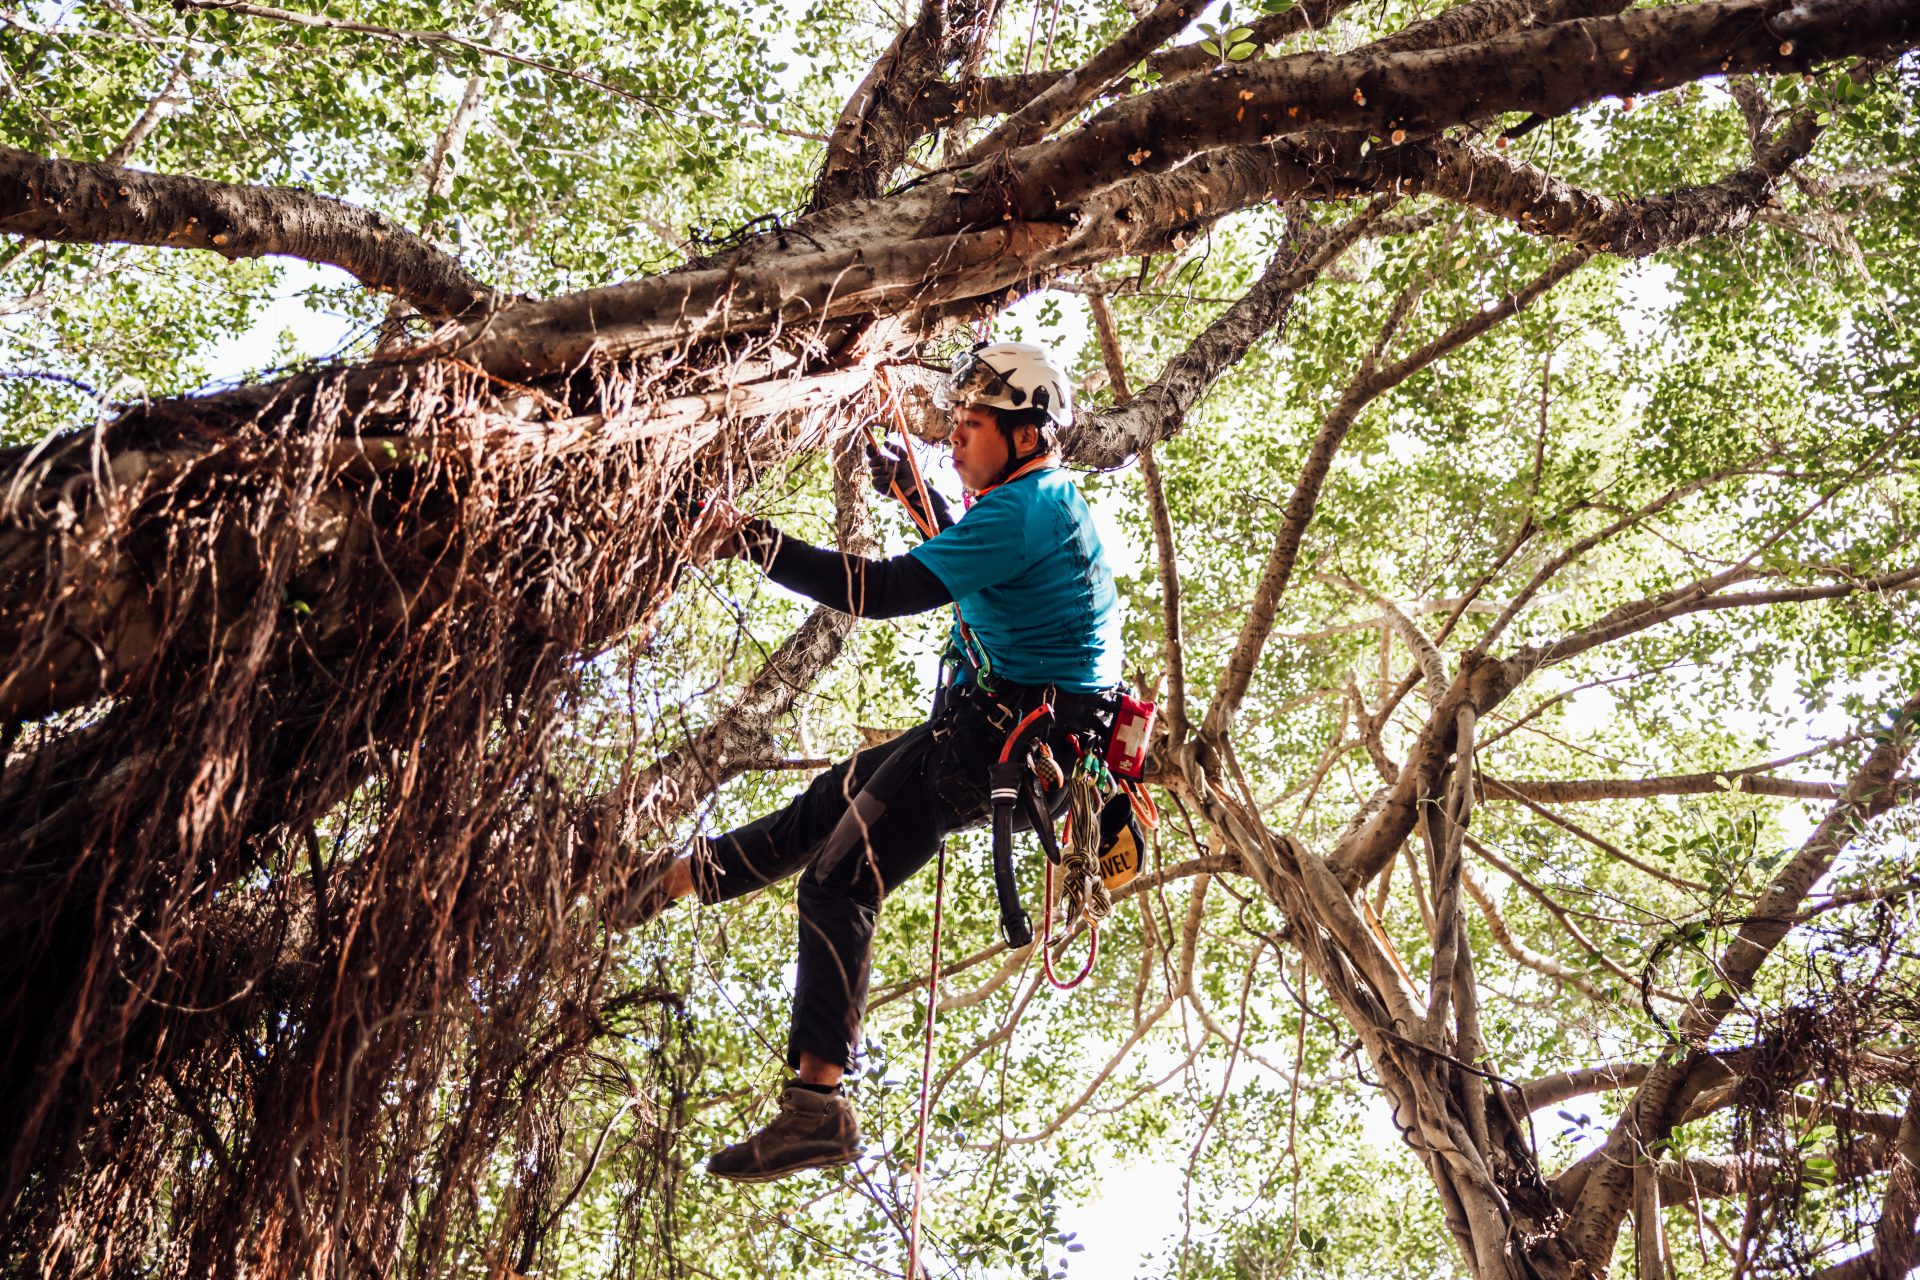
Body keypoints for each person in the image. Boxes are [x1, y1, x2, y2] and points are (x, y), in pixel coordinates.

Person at [634, 340, 1123, 1183]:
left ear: (1028, 434)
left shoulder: (1029, 508)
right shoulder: (1031, 503)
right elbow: (971, 552)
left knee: (837, 878)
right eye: (957, 422)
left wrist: (746, 539)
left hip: (999, 735)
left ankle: (816, 1111)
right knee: (833, 802)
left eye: (974, 424)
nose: (957, 436)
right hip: (1006, 728)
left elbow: (887, 592)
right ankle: (670, 881)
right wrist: (910, 488)